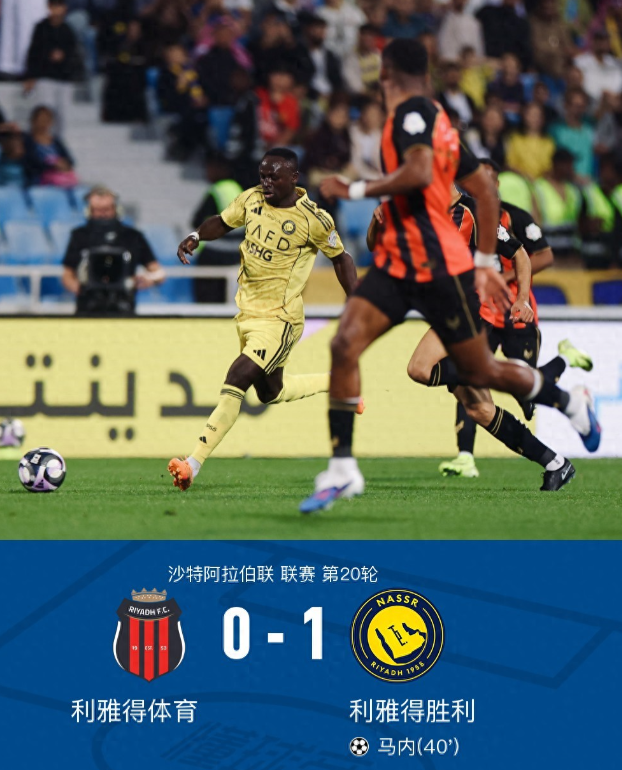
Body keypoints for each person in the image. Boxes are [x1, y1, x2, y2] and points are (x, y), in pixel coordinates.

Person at [298, 38, 600, 513]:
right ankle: (342, 470)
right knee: (352, 345)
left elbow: (426, 174)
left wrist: (354, 188)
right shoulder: (439, 124)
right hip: (399, 266)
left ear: (386, 73)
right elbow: (481, 189)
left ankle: (566, 399)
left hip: (439, 274)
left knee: (468, 377)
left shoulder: (412, 114)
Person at [168, 147, 358, 491]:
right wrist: (197, 236)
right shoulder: (251, 199)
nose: (266, 182)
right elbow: (222, 222)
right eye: (263, 176)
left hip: (280, 319)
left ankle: (192, 463)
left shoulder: (313, 219)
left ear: (294, 178)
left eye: (274, 177)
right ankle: (337, 382)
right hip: (247, 313)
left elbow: (341, 258)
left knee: (237, 377)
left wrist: (357, 302)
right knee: (270, 391)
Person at [402, 189, 577, 492]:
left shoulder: (475, 212)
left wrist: (522, 298)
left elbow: (520, 254)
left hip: (467, 312)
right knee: (480, 410)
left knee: (420, 368)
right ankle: (555, 463)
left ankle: (490, 371)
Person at [436, 159, 592, 482]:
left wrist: (510, 285)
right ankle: (466, 455)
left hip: (515, 314)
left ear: (496, 184)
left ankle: (565, 364)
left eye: (488, 180)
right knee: (472, 389)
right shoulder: (452, 214)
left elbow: (541, 256)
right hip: (483, 313)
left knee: (522, 391)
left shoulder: (512, 216)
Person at [62, 186, 165, 316]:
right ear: (89, 211)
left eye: (106, 209)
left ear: (116, 209)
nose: (102, 214)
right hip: (87, 306)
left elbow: (158, 272)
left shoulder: (132, 236)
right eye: (97, 210)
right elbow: (67, 274)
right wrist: (79, 288)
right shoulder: (79, 236)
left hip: (124, 305)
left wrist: (148, 279)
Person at [24, 0, 82, 137]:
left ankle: (58, 142)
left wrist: (63, 57)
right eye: (53, 6)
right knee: (44, 111)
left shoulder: (68, 30)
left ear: (64, 8)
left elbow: (73, 53)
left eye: (59, 7)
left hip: (63, 79)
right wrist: (30, 76)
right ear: (48, 7)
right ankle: (40, 140)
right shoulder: (41, 28)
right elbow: (33, 53)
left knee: (61, 114)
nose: (56, 10)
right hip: (45, 76)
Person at [191, 153, 244, 302]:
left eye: (209, 168)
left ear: (220, 169)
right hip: (236, 253)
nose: (207, 172)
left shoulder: (217, 190)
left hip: (215, 253)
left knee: (207, 297)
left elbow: (197, 220)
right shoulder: (238, 188)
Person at [24, 105, 78, 187]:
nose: (44, 123)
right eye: (41, 120)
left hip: (59, 178)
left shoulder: (55, 141)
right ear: (33, 121)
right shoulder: (27, 140)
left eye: (47, 120)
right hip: (39, 179)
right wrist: (52, 166)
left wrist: (63, 164)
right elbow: (30, 163)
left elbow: (70, 161)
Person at [506, 102, 555, 180]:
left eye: (537, 115)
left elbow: (550, 167)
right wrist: (525, 176)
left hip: (543, 181)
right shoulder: (515, 139)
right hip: (519, 180)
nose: (534, 118)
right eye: (531, 115)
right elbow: (511, 165)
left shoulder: (548, 142)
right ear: (524, 116)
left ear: (543, 118)